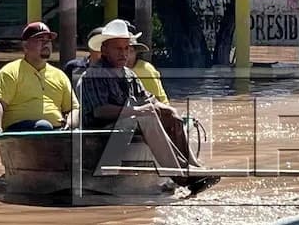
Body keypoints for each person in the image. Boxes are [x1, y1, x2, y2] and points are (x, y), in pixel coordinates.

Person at [77, 19, 217, 192]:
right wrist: (137, 110)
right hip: (100, 133)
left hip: (125, 124)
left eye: (126, 48)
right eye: (118, 48)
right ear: (104, 49)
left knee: (170, 114)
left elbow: (147, 98)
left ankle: (193, 165)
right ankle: (180, 174)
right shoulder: (93, 75)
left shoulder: (128, 73)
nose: (124, 53)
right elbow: (100, 111)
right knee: (146, 119)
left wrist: (163, 109)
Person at [0, 21, 78, 138]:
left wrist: (70, 124)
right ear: (25, 46)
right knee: (43, 126)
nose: (46, 44)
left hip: (56, 133)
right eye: (40, 39)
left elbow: (73, 108)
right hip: (20, 133)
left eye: (48, 40)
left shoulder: (59, 75)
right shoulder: (10, 72)